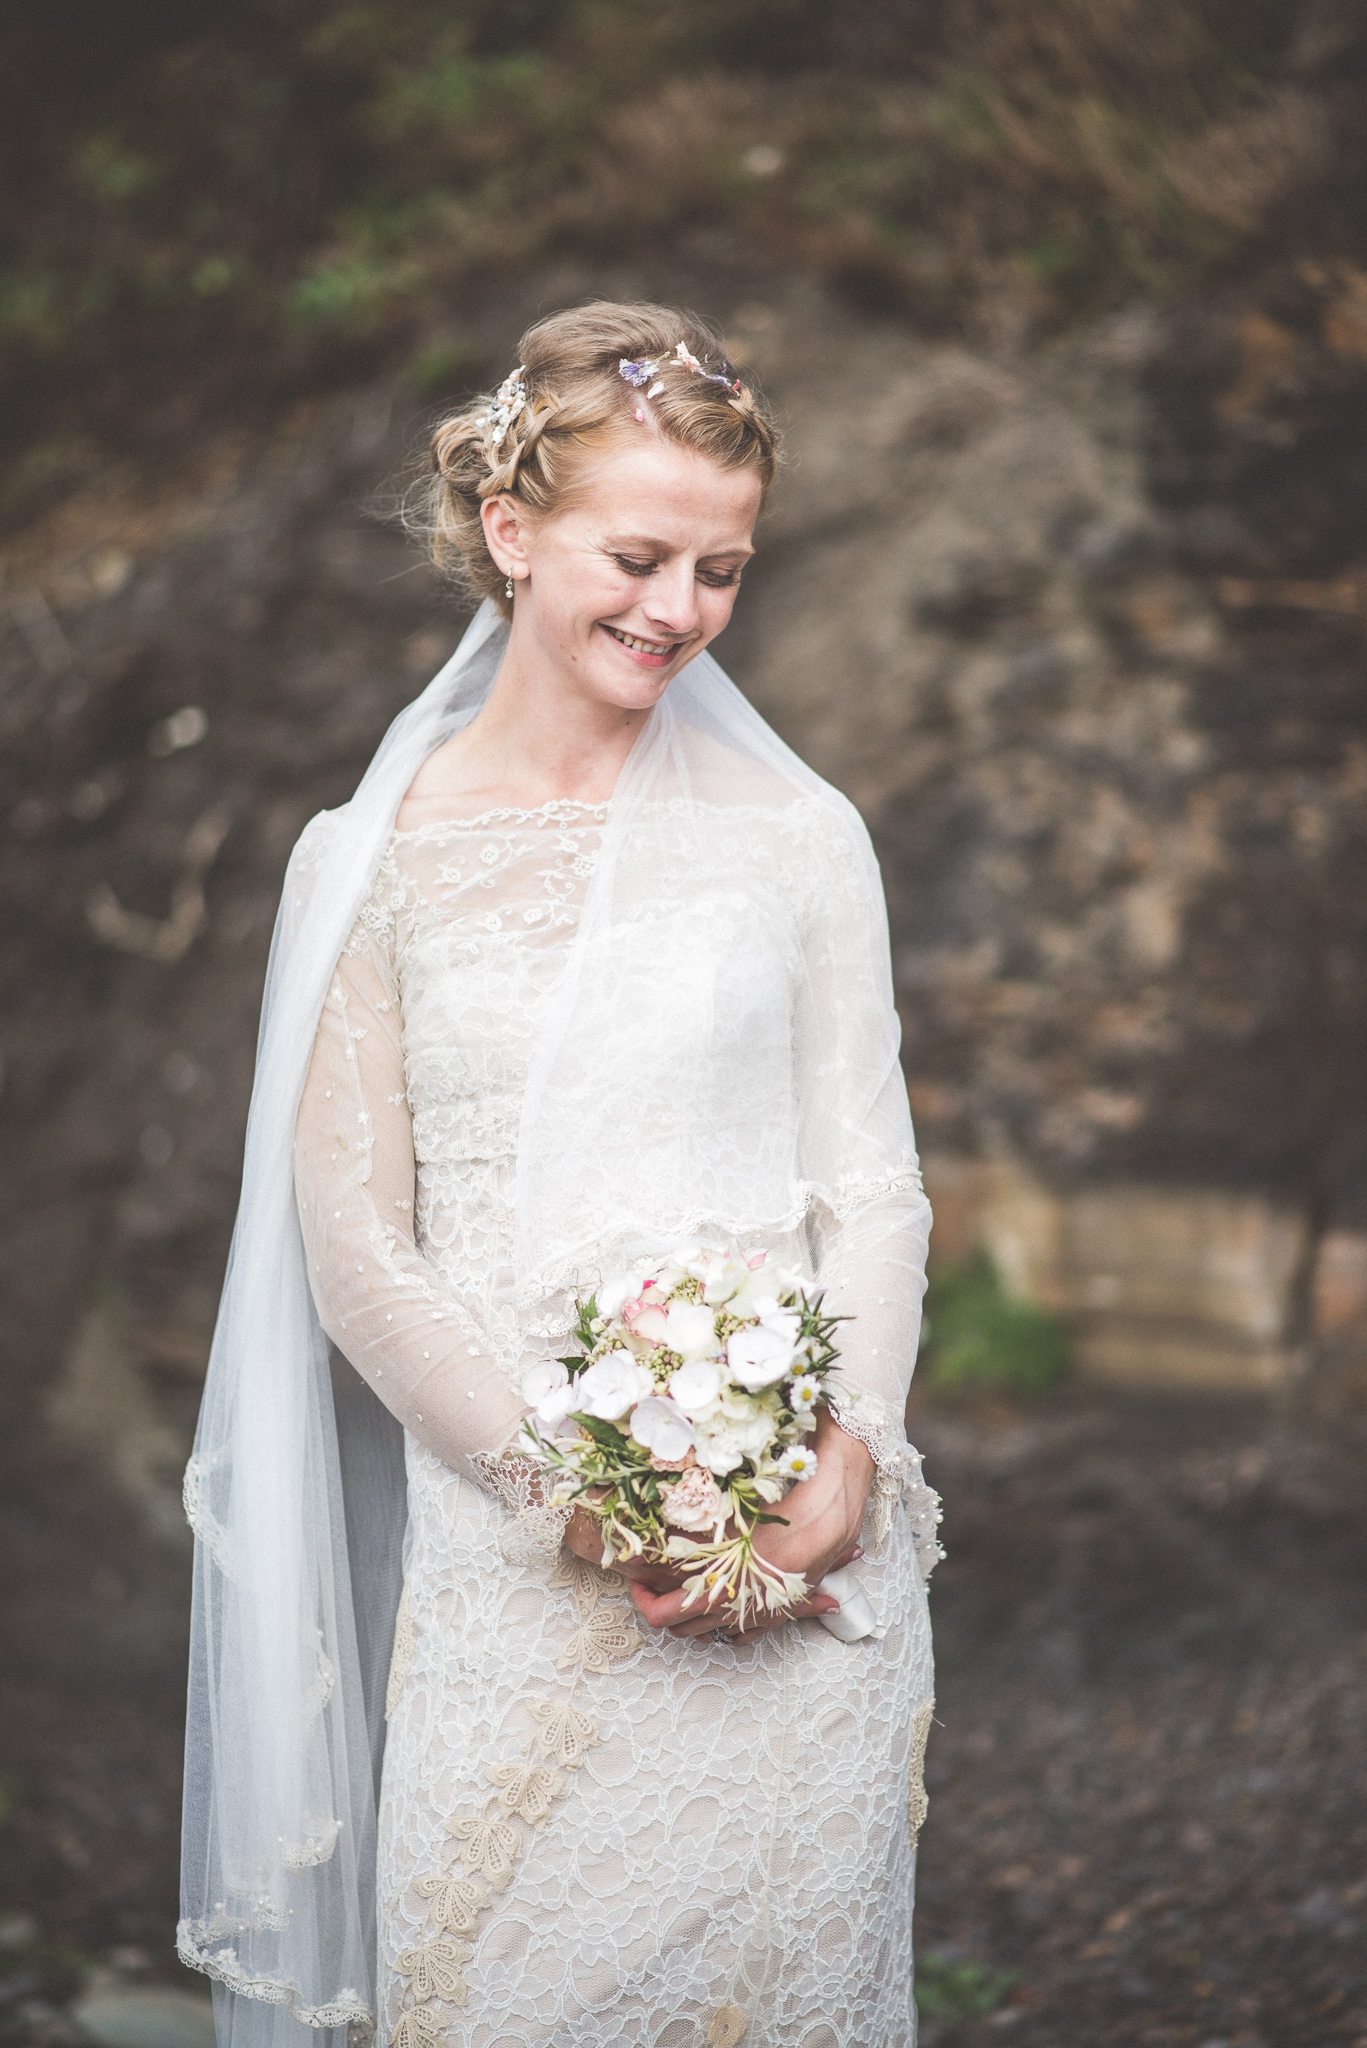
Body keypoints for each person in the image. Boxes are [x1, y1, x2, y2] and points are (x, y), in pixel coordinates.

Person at [178, 298, 944, 2048]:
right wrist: (566, 1488)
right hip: (520, 1586)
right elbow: (360, 1243)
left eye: (724, 570)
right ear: (511, 534)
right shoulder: (363, 864)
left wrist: (851, 1460)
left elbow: (873, 1187)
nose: (678, 610)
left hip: (800, 1581)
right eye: (641, 553)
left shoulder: (802, 838)